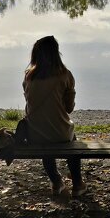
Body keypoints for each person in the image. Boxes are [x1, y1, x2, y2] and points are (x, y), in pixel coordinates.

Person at [23, 35, 85, 197]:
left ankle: (56, 182)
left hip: (35, 134)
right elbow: (69, 109)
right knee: (72, 141)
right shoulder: (65, 75)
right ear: (56, 53)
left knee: (45, 140)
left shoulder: (28, 76)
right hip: (60, 134)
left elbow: (29, 104)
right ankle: (78, 184)